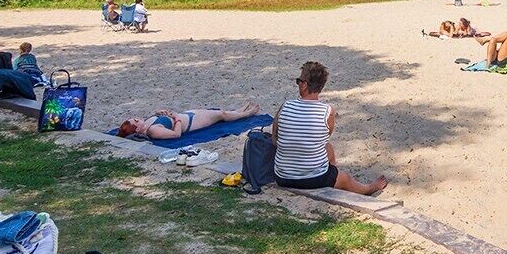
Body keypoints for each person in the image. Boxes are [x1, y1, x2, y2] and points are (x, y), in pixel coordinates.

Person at [273, 61, 387, 195]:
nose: (298, 84)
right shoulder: (328, 111)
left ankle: (329, 175)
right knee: (346, 178)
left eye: (298, 81)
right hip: (312, 179)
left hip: (281, 177)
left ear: (304, 85)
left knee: (329, 148)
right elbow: (326, 135)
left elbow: (274, 139)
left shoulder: (285, 106)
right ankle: (369, 189)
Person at [117, 103, 262, 140]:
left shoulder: (148, 124)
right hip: (192, 122)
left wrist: (160, 113)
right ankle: (246, 114)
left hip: (187, 115)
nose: (138, 118)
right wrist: (176, 118)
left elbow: (161, 119)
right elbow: (176, 135)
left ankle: (238, 111)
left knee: (219, 113)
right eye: (136, 121)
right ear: (137, 129)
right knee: (221, 115)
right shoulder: (153, 130)